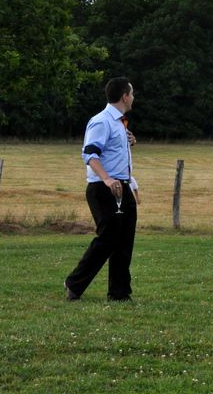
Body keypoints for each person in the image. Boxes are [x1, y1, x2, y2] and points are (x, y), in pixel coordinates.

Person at [64, 77, 137, 301]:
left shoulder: (119, 123)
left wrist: (132, 184)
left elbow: (113, 153)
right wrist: (106, 179)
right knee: (108, 238)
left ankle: (119, 293)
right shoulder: (101, 121)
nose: (133, 98)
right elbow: (90, 153)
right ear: (125, 96)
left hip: (122, 187)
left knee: (124, 240)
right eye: (132, 94)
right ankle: (74, 283)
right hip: (103, 188)